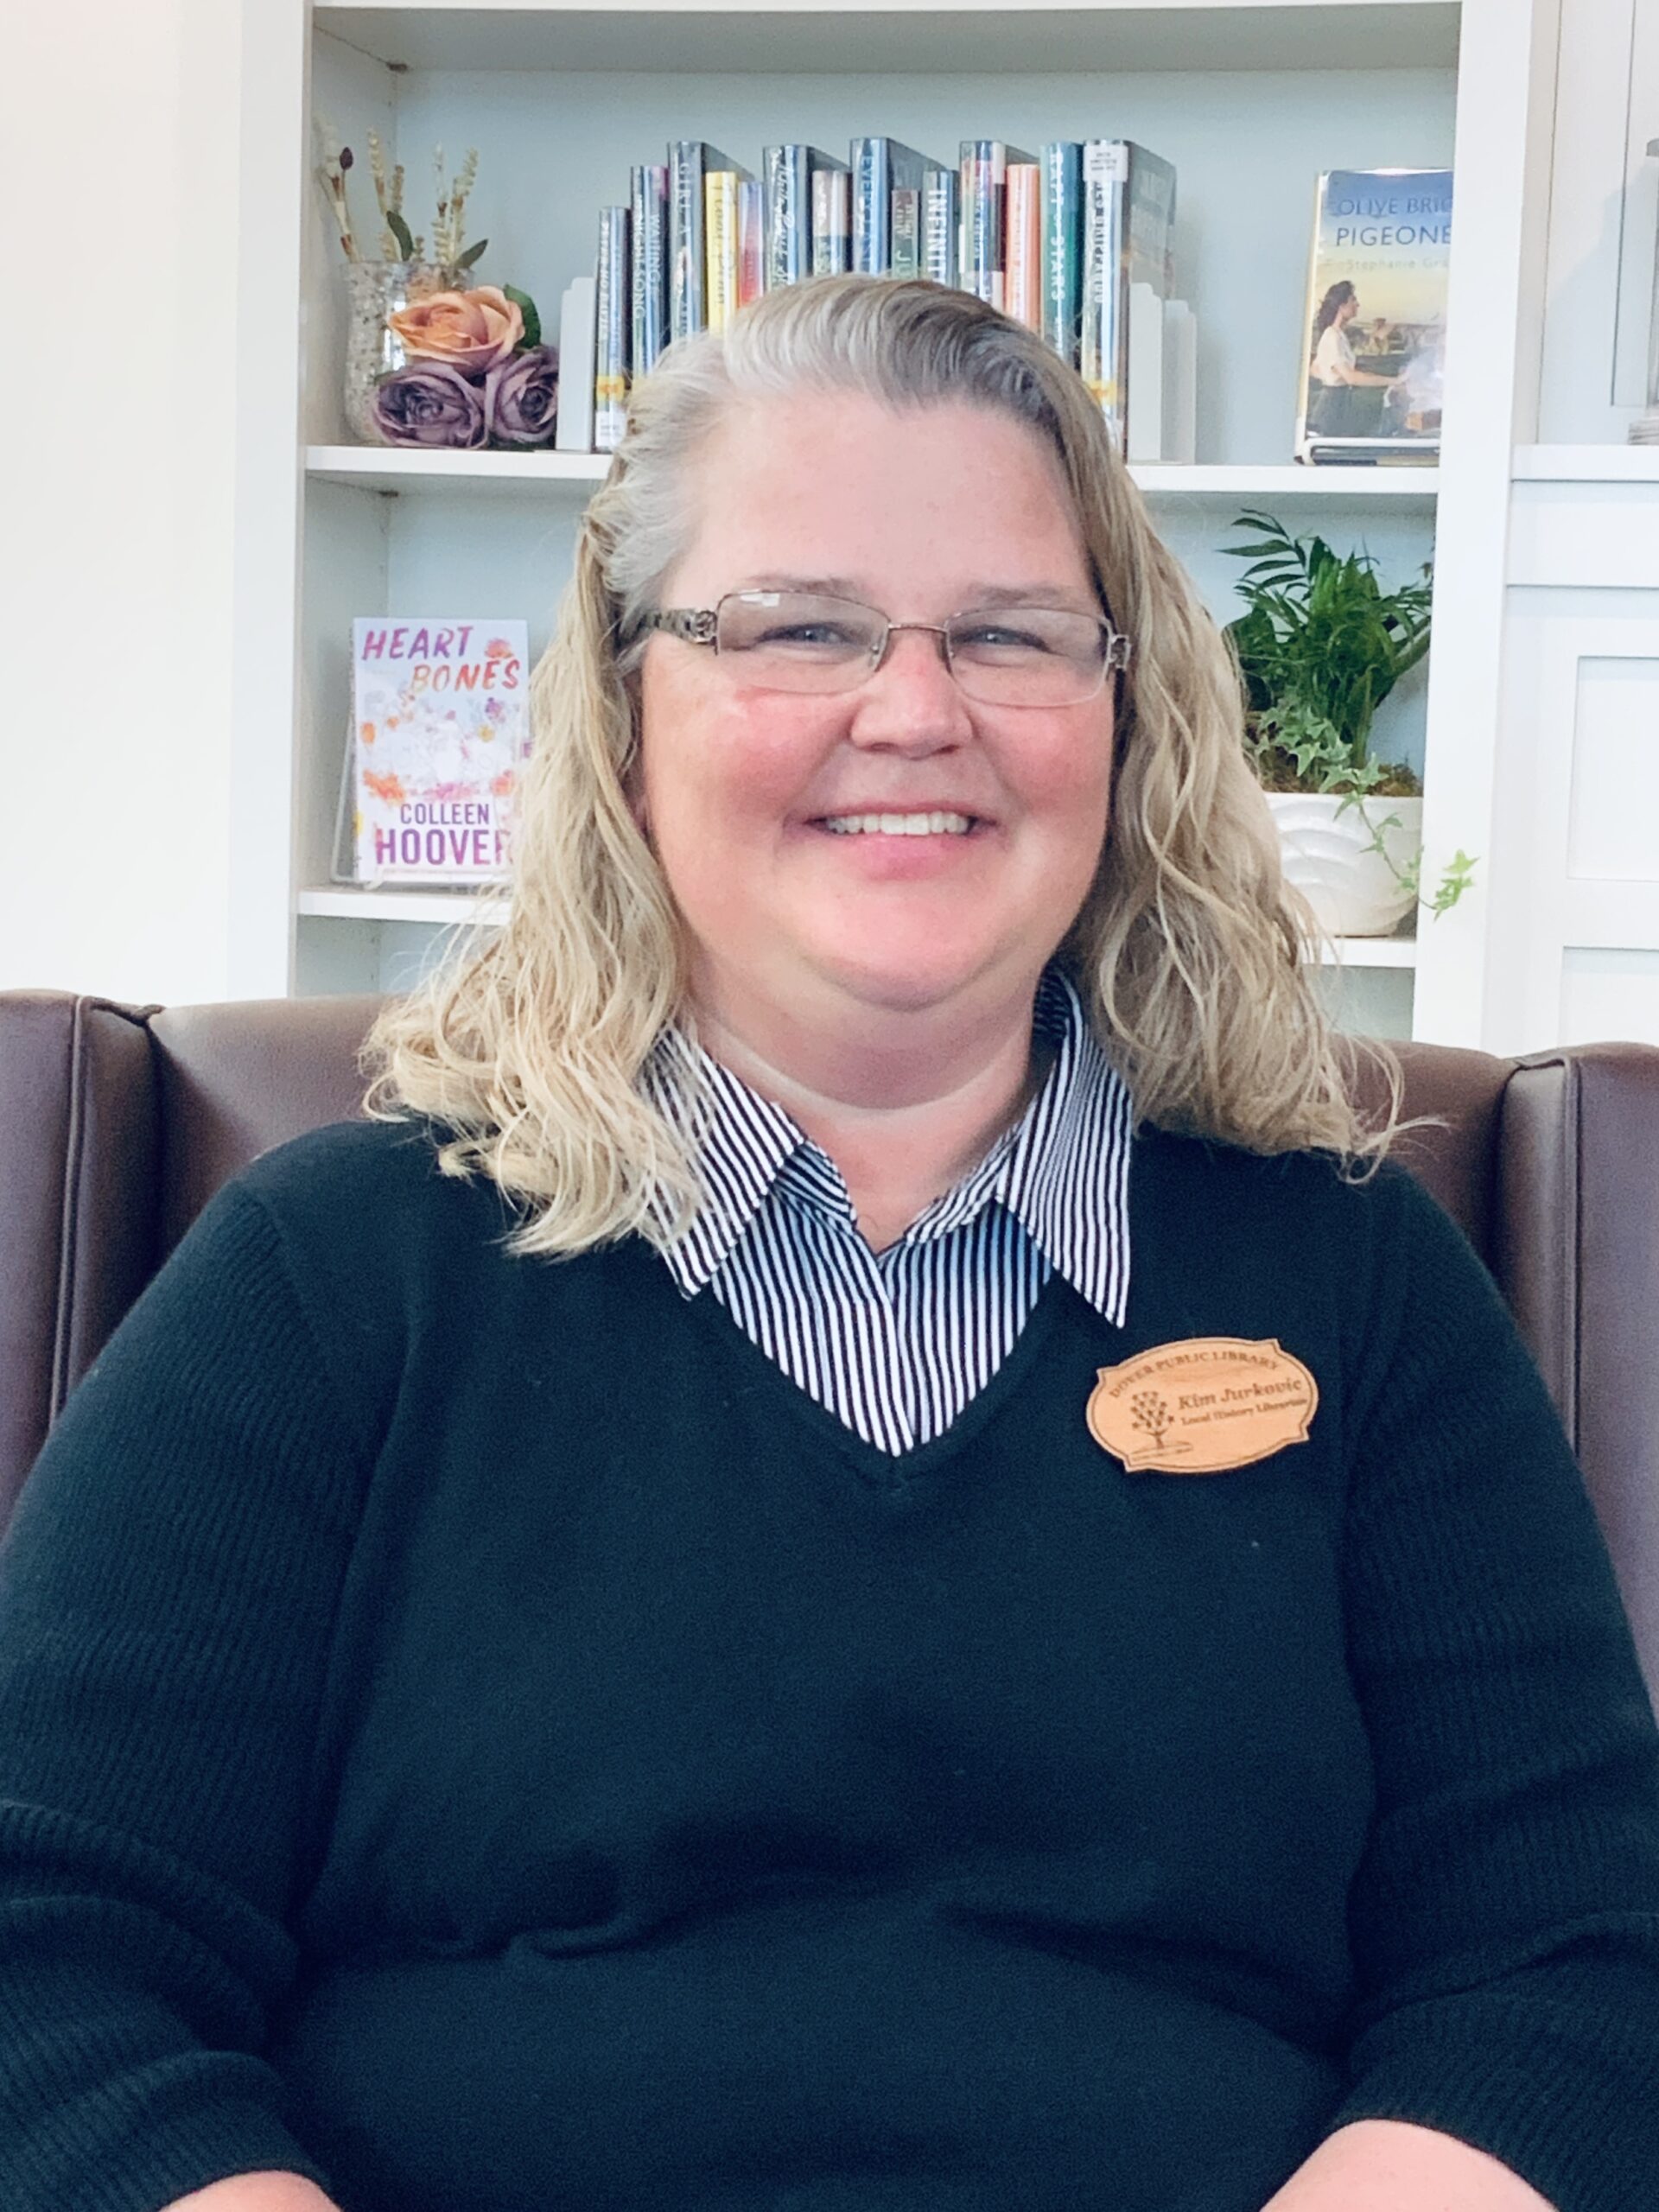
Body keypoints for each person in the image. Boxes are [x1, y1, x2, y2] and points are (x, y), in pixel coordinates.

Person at [2, 275, 1657, 2212]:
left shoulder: (1359, 1284)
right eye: (798, 624)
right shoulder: (325, 1276)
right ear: (627, 713)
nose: (916, 707)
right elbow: (53, 1945)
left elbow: (1567, 1953)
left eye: (1010, 633)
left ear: (1125, 717)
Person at [1306, 281, 1404, 438]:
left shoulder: (1339, 336)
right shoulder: (1332, 337)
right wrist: (1395, 380)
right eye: (1353, 300)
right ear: (1341, 306)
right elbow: (1351, 377)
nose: (1357, 304)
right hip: (1329, 413)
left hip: (1338, 406)